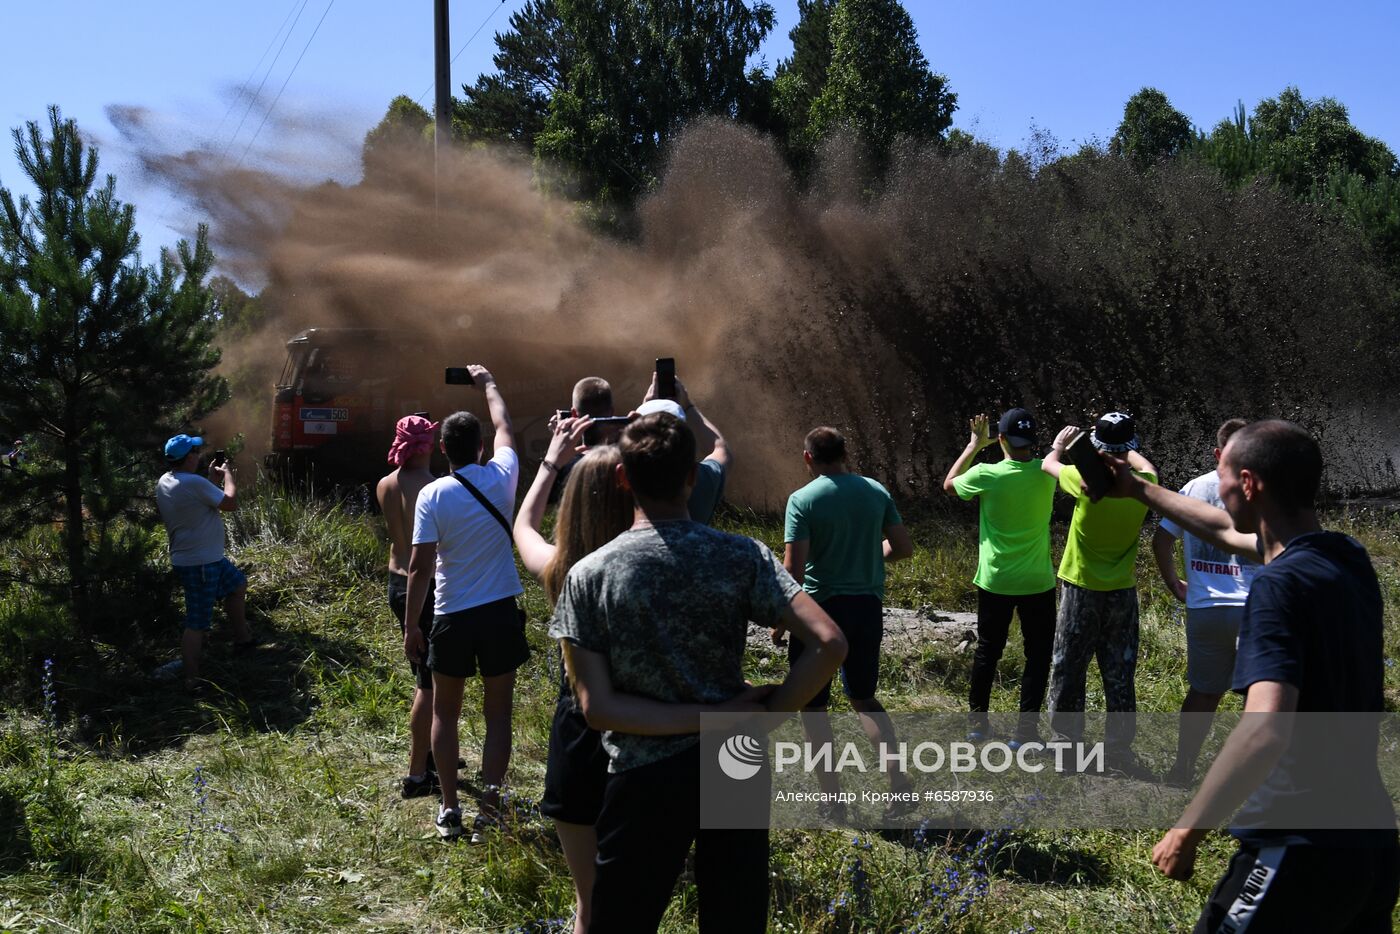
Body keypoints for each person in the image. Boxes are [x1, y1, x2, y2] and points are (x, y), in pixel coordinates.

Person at [550, 412, 848, 933]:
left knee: (620, 921)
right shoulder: (741, 555)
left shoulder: (589, 575)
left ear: (623, 479)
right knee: (734, 919)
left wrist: (707, 717)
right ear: (692, 477)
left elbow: (597, 710)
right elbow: (829, 642)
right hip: (735, 760)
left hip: (644, 772)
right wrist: (765, 715)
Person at [1104, 420, 1398, 933]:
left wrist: (1186, 832)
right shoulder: (1346, 558)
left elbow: (1265, 728)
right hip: (1370, 842)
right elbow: (1220, 530)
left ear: (1247, 484)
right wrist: (1138, 489)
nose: (1215, 489)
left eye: (1220, 475)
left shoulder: (1276, 588)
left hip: (1299, 838)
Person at [402, 366, 526, 842]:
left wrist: (412, 625)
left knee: (444, 715)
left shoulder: (432, 494)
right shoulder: (502, 476)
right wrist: (490, 384)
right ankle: (489, 808)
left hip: (450, 615)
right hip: (498, 613)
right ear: (478, 448)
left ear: (442, 450)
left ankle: (450, 808)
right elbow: (506, 429)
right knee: (498, 716)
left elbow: (419, 567)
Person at [771, 426, 914, 820]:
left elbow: (794, 570)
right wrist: (869, 556)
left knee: (813, 707)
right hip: (866, 608)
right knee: (864, 699)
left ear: (808, 458)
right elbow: (903, 548)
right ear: (845, 453)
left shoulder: (802, 500)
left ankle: (833, 802)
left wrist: (781, 620)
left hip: (819, 615)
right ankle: (900, 787)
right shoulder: (874, 490)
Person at [1041, 412, 1158, 776]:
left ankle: (1065, 746)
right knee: (1119, 670)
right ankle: (1119, 751)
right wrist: (1127, 449)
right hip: (1121, 591)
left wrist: (1064, 445)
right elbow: (1147, 465)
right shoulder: (1144, 484)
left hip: (1081, 586)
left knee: (1068, 665)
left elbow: (1049, 464)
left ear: (1097, 448)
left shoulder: (1082, 481)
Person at [1151, 418, 1258, 786]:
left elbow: (1161, 540)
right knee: (1258, 697)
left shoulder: (1193, 488)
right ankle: (1246, 780)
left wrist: (1174, 583)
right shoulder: (1262, 488)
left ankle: (1182, 769)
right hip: (1255, 610)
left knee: (1203, 693)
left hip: (1206, 607)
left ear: (1218, 452)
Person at [943, 408, 1057, 747]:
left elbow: (949, 485)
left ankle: (978, 727)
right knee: (1037, 656)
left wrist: (974, 445)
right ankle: (1025, 733)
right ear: (1033, 441)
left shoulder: (985, 473)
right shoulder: (1047, 473)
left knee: (987, 652)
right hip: (1038, 582)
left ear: (1002, 438)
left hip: (996, 582)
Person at [376, 414, 443, 798]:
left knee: (423, 672)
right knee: (429, 684)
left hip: (396, 583)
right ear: (427, 445)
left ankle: (431, 751)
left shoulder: (385, 484)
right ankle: (418, 773)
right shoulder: (433, 488)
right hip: (425, 586)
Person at [155, 434, 253, 692]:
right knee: (196, 623)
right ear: (188, 457)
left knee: (237, 585)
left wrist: (212, 481)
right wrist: (228, 475)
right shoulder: (194, 483)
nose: (199, 456)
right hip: (200, 564)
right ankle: (192, 681)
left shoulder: (166, 481)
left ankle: (242, 641)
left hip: (205, 559)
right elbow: (229, 503)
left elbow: (196, 502)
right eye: (196, 452)